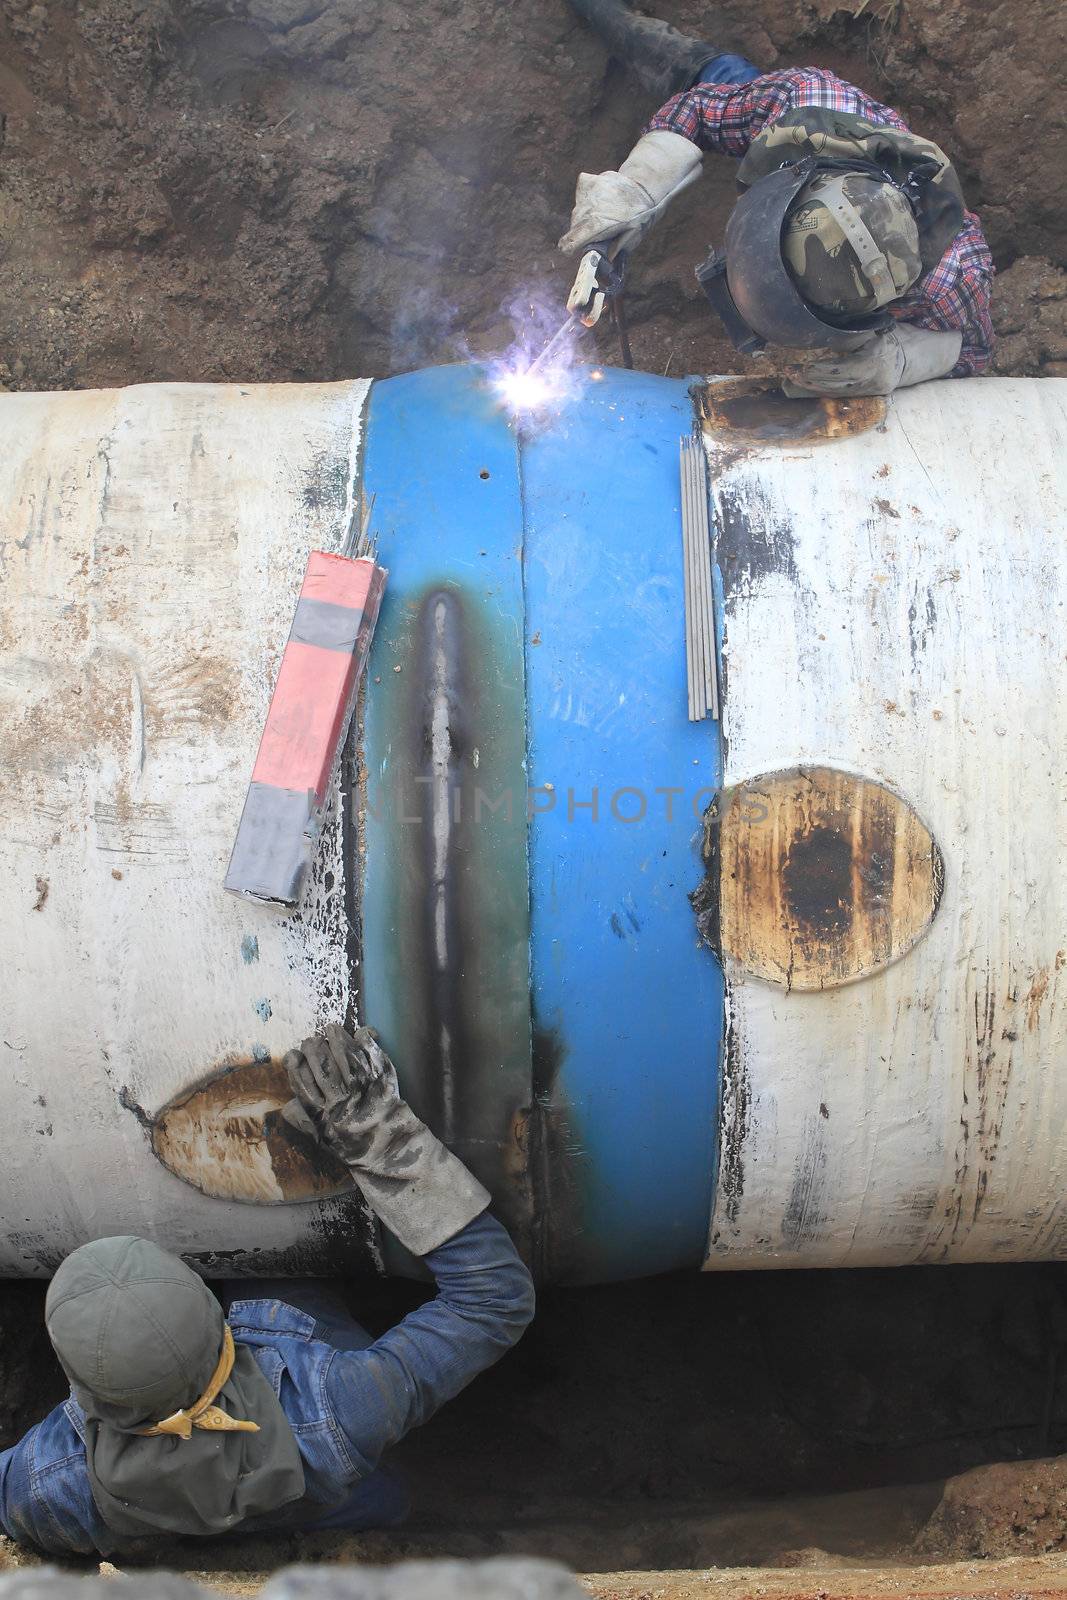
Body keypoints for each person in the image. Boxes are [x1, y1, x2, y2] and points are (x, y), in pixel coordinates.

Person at [0, 1026, 535, 1556]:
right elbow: (494, 1299)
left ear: (79, 1387)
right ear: (215, 1308)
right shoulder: (342, 1402)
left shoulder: (48, 1485)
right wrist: (381, 1137)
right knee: (384, 1497)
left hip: (168, 1524)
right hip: (315, 1469)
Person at [560, 0, 994, 396]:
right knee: (717, 76)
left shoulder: (956, 278)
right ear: (792, 184)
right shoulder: (800, 106)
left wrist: (901, 360)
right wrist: (636, 191)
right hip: (800, 117)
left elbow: (973, 349)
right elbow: (695, 110)